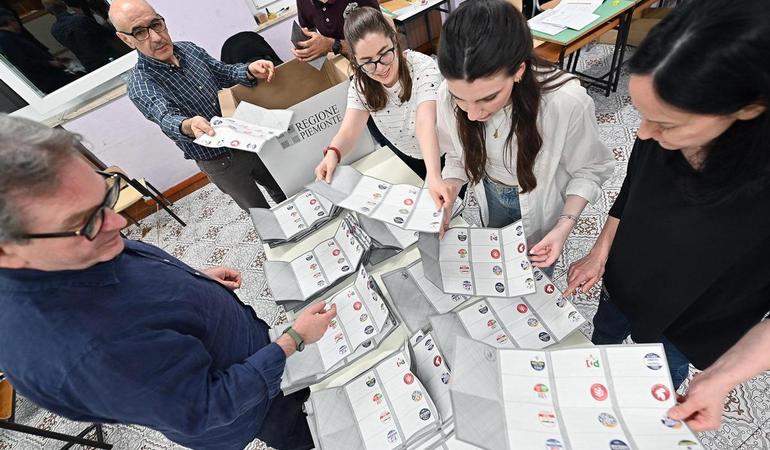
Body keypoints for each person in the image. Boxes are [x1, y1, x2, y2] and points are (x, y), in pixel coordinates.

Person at [0, 114, 337, 450]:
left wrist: (188, 285)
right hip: (255, 406)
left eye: (106, 195)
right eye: (86, 223)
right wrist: (292, 340)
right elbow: (208, 407)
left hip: (252, 354)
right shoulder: (85, 353)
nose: (117, 221)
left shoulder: (56, 248)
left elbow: (134, 301)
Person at [564, 0, 770, 431]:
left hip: (692, 318)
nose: (643, 133)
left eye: (667, 125)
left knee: (655, 382)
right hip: (624, 280)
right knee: (604, 341)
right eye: (642, 116)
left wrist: (721, 377)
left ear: (749, 108)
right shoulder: (658, 122)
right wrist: (602, 251)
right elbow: (632, 192)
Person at [434, 0, 614, 275]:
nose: (471, 115)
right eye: (461, 99)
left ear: (518, 71)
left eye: (488, 98)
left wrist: (564, 226)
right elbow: (457, 156)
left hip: (542, 204)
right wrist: (449, 190)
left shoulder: (565, 102)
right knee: (499, 263)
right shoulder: (447, 93)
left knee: (536, 273)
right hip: (491, 193)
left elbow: (590, 169)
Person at [110, 0, 286, 212]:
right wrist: (188, 124)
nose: (156, 37)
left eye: (156, 24)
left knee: (283, 189)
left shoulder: (189, 49)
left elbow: (223, 72)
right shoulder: (141, 83)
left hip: (245, 139)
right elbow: (165, 117)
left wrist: (249, 70)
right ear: (126, 39)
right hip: (219, 161)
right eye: (140, 32)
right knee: (260, 213)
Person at [314, 6, 451, 206]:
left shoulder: (422, 67)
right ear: (356, 60)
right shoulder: (361, 84)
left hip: (442, 153)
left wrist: (434, 175)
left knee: (452, 203)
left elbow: (425, 123)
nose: (380, 68)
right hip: (405, 153)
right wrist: (333, 153)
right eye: (368, 62)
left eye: (384, 53)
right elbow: (349, 130)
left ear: (394, 40)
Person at [0, 8, 78, 94]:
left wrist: (51, 59)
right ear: (11, 21)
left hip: (49, 76)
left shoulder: (10, 37)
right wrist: (50, 63)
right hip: (47, 78)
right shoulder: (7, 39)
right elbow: (23, 62)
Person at [43, 0, 128, 72]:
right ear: (64, 4)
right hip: (106, 57)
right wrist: (108, 24)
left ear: (49, 12)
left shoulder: (54, 30)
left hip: (88, 64)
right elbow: (106, 34)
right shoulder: (80, 19)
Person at [294, 0, 379, 62]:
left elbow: (378, 42)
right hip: (344, 63)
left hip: (373, 60)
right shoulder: (303, 2)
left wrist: (332, 45)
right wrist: (306, 48)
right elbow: (307, 30)